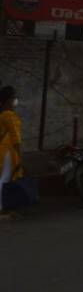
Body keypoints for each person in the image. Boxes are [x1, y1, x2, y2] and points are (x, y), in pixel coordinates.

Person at [0, 86, 23, 219]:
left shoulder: (2, 114)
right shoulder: (9, 115)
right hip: (8, 150)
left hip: (3, 150)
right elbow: (15, 136)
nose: (15, 100)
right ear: (9, 100)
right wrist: (19, 153)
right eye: (14, 97)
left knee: (4, 177)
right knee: (5, 178)